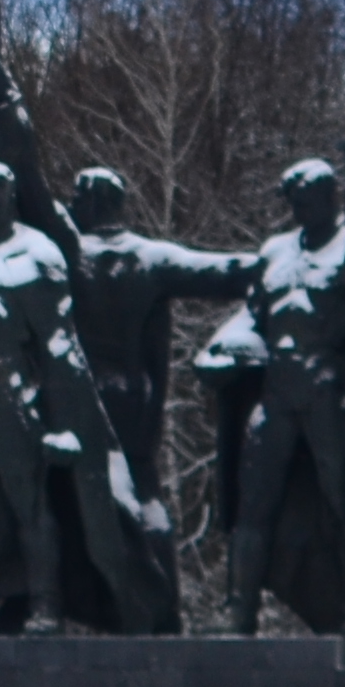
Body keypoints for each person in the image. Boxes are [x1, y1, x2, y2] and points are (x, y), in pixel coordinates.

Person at [0, 163, 172, 634]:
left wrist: (65, 422)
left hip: (8, 397)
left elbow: (60, 349)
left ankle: (45, 605)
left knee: (29, 506)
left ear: (13, 196)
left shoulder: (37, 257)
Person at [197, 153, 345, 635]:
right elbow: (254, 317)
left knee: (343, 502)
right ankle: (240, 608)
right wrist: (220, 349)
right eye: (293, 202)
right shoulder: (276, 252)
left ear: (329, 197)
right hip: (276, 391)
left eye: (307, 200)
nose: (300, 210)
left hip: (326, 391)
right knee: (254, 502)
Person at [64, 167, 261, 519]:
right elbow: (220, 272)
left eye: (77, 199)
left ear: (95, 202)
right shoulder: (150, 259)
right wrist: (275, 266)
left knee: (75, 499)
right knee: (140, 497)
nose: (70, 206)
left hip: (77, 397)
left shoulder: (67, 257)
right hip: (133, 402)